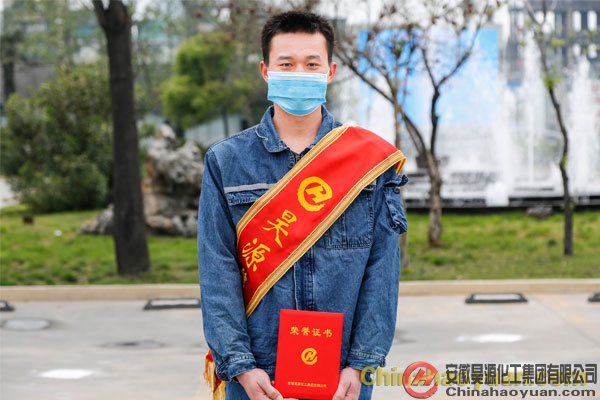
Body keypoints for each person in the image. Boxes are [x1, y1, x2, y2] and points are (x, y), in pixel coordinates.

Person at [198, 10, 408, 400]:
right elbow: (217, 271)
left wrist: (361, 363)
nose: (299, 73)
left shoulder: (368, 161)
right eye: (286, 64)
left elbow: (382, 271)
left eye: (311, 64)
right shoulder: (226, 162)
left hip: (342, 369)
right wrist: (240, 365)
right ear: (265, 71)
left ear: (330, 71)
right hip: (256, 370)